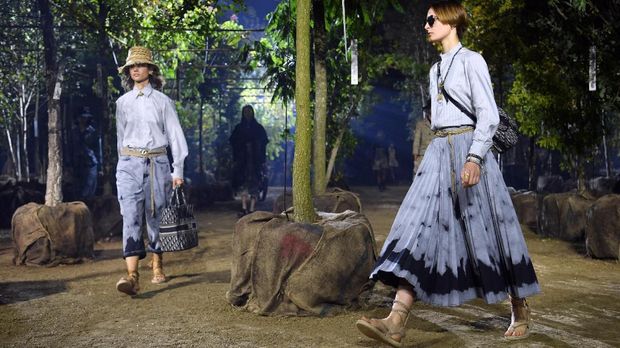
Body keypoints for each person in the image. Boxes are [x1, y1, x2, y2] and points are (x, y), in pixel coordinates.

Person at [355, 2, 540, 346]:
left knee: (493, 229)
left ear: (451, 21)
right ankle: (396, 320)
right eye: (425, 20)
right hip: (438, 154)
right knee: (418, 228)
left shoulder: (473, 61)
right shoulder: (435, 70)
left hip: (469, 150)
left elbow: (488, 114)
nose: (425, 26)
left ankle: (520, 306)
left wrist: (474, 158)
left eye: (431, 19)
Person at [114, 46, 188, 295]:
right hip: (128, 164)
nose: (135, 69)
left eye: (140, 65)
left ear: (150, 69)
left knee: (155, 215)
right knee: (130, 216)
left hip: (158, 163)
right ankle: (132, 276)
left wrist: (177, 170)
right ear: (128, 71)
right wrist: (120, 168)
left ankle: (157, 264)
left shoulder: (163, 102)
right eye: (131, 66)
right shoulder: (122, 103)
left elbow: (176, 137)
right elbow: (120, 138)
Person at [229, 105, 268, 216]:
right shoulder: (239, 128)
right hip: (242, 161)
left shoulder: (258, 128)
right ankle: (244, 207)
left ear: (252, 112)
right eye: (245, 111)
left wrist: (260, 155)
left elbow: (264, 142)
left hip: (255, 161)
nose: (247, 113)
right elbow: (233, 141)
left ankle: (252, 208)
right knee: (242, 182)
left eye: (249, 111)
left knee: (255, 182)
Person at [71, 107, 99, 199]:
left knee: (90, 189)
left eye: (86, 117)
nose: (84, 119)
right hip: (78, 164)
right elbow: (70, 147)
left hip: (91, 163)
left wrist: (100, 165)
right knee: (78, 189)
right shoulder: (74, 132)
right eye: (83, 117)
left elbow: (97, 148)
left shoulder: (92, 132)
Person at [412, 109, 435, 177]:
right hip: (423, 155)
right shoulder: (421, 124)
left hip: (436, 154)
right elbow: (416, 141)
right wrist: (415, 157)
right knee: (420, 176)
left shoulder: (438, 123)